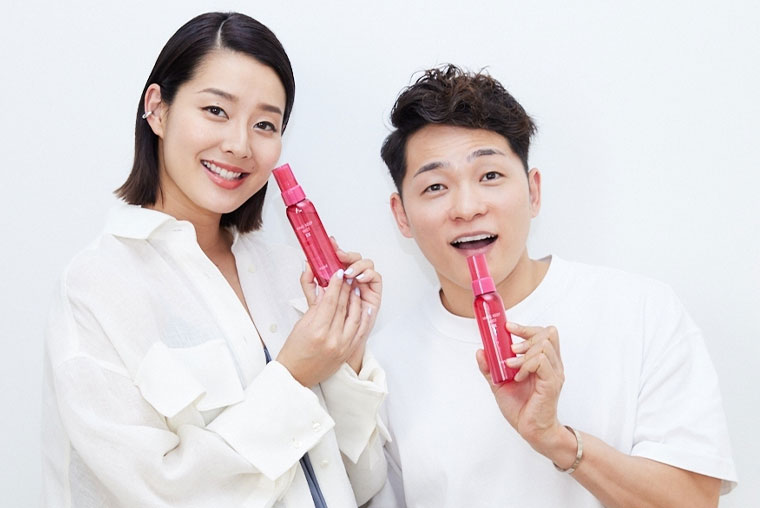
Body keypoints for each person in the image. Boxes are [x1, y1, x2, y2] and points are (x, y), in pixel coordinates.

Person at [42, 12, 388, 507]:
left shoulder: (288, 272)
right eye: (216, 111)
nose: (239, 145)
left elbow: (362, 482)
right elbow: (153, 492)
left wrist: (346, 350)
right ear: (157, 109)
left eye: (264, 124)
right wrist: (294, 375)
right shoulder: (98, 287)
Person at [367, 65, 737, 507]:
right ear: (402, 216)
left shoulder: (641, 311)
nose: (466, 207)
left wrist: (556, 439)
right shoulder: (381, 365)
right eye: (435, 186)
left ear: (533, 191)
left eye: (490, 176)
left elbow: (696, 500)